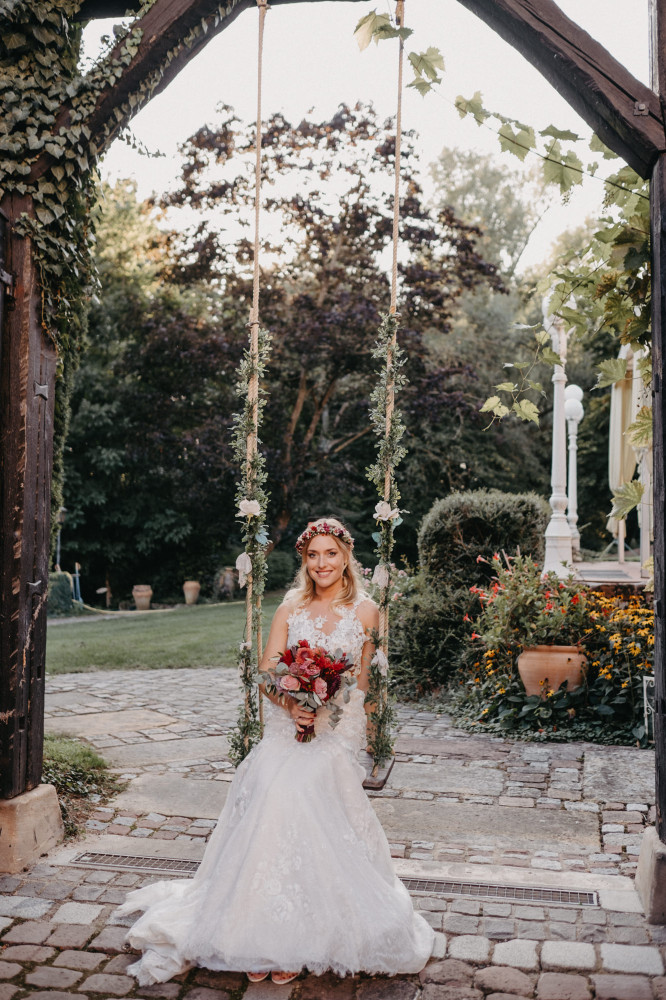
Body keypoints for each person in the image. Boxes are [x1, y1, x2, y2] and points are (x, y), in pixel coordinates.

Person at [117, 516, 434, 986]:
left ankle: (296, 937)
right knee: (268, 782)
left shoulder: (367, 611)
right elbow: (268, 674)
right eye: (313, 555)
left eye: (331, 553)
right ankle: (256, 930)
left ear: (346, 557)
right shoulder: (291, 608)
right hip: (289, 725)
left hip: (337, 732)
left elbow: (366, 685)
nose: (322, 563)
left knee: (304, 787)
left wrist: (347, 726)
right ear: (304, 561)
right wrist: (295, 704)